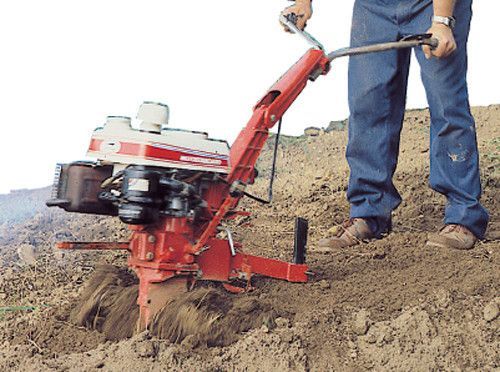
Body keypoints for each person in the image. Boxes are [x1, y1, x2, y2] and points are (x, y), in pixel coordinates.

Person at [281, 0, 488, 250]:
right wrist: (303, 3)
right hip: (375, 7)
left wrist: (442, 21)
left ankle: (463, 216)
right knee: (369, 104)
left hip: (432, 5)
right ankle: (369, 211)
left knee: (446, 102)